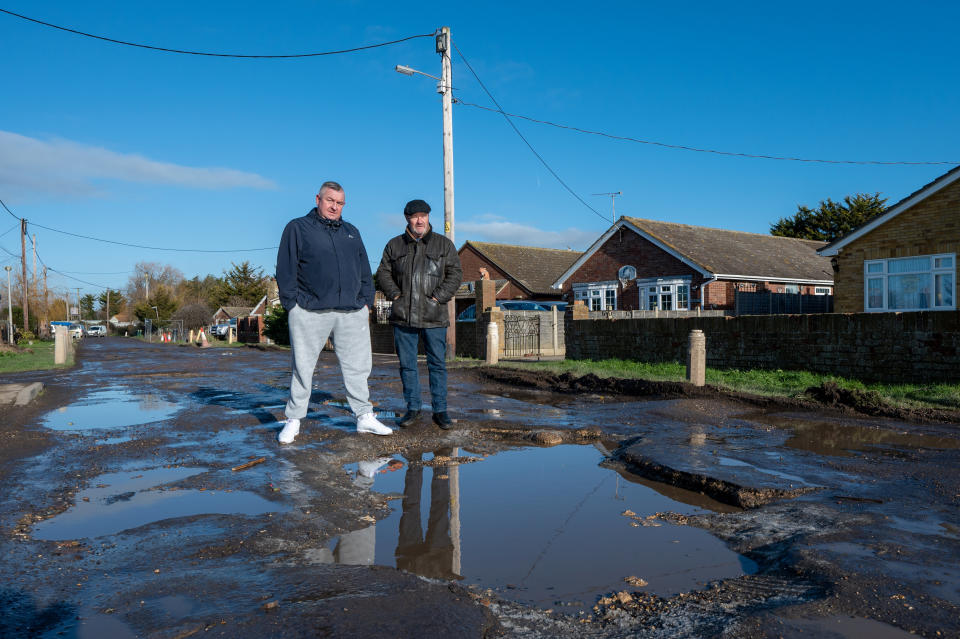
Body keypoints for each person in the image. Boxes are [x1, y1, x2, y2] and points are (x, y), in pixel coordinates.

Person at [275, 181, 392, 444]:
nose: (334, 207)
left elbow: (364, 268)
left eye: (339, 203)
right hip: (309, 309)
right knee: (303, 367)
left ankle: (364, 417)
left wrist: (366, 301)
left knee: (358, 367)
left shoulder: (351, 232)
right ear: (318, 199)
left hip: (351, 310)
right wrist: (291, 304)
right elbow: (285, 268)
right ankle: (293, 420)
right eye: (330, 201)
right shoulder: (298, 228)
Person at [376, 199, 462, 429]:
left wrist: (437, 297)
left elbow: (455, 274)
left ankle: (440, 410)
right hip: (403, 317)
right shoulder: (394, 245)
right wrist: (396, 295)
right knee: (407, 364)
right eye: (415, 216)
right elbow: (383, 273)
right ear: (407, 219)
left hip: (434, 316)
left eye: (423, 215)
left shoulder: (444, 245)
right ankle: (413, 408)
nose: (420, 220)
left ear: (428, 217)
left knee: (437, 364)